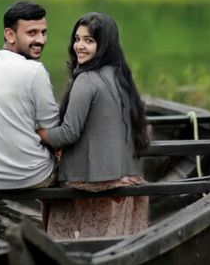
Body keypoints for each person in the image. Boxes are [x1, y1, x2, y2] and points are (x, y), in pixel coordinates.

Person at [37, 12, 150, 239]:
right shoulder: (122, 77)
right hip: (128, 176)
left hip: (93, 181)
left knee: (46, 187)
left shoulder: (86, 80)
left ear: (104, 44)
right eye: (77, 39)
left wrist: (39, 133)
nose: (79, 46)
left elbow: (68, 134)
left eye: (88, 41)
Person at [0, 1, 59, 225]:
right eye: (32, 33)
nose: (41, 40)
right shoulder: (35, 71)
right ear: (10, 34)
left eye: (44, 32)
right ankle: (52, 236)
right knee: (64, 169)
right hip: (31, 177)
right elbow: (53, 131)